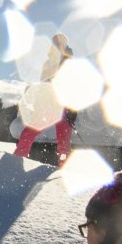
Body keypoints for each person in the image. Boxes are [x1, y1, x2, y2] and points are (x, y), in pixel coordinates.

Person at [14, 33, 76, 166]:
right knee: (29, 132)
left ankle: (64, 166)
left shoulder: (70, 63)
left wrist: (72, 110)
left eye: (61, 43)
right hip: (47, 106)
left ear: (65, 45)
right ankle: (17, 158)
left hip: (64, 108)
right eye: (55, 43)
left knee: (64, 143)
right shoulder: (48, 63)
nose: (57, 45)